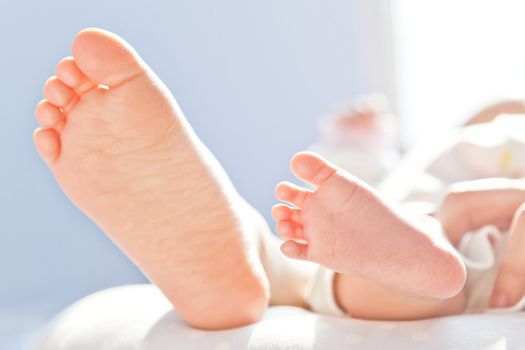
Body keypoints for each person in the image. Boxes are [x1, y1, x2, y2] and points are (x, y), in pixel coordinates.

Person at [32, 28, 523, 330]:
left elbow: (349, 184)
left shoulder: (456, 153)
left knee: (328, 253)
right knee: (399, 268)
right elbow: (358, 188)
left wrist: (352, 144)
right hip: (439, 249)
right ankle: (255, 263)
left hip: (432, 230)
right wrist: (362, 142)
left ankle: (243, 261)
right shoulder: (419, 163)